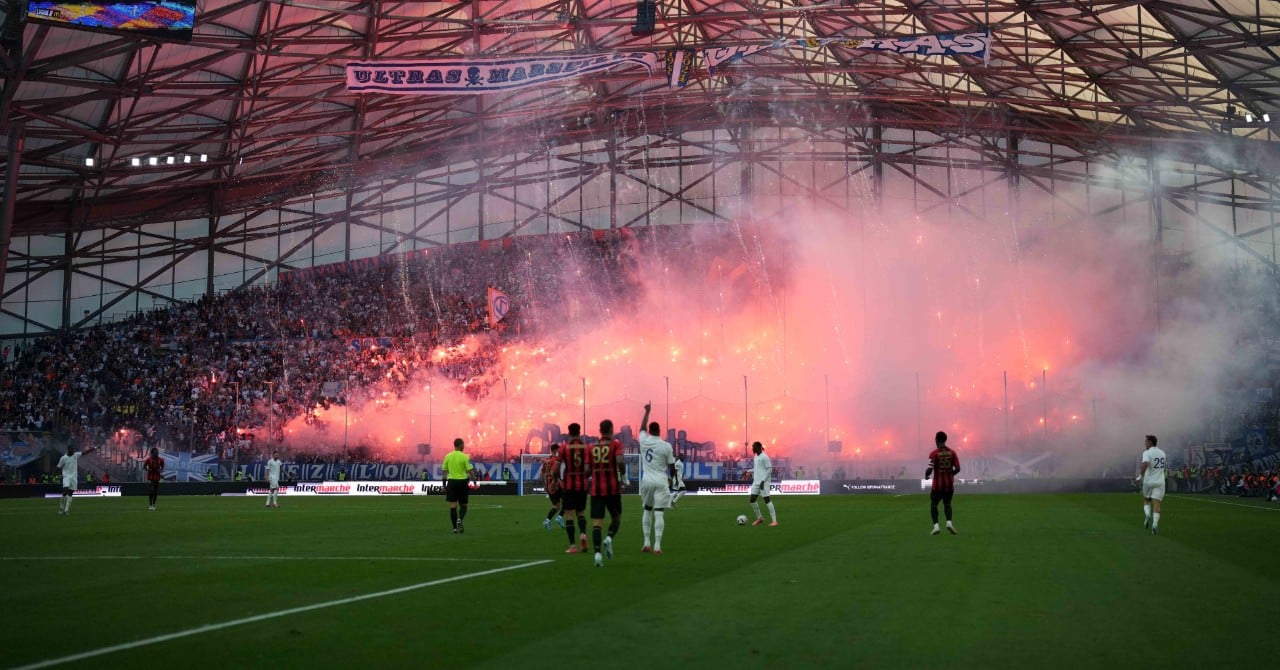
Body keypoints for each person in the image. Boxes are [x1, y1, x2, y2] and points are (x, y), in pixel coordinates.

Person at [638, 403, 677, 553]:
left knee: (647, 510)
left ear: (649, 431)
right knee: (659, 512)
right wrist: (672, 479)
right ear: (659, 431)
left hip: (646, 481)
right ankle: (657, 546)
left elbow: (641, 428)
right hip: (661, 481)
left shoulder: (644, 441)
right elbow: (672, 466)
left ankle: (646, 542)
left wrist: (647, 412)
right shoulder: (666, 446)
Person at [588, 419, 626, 567]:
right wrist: (623, 475)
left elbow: (586, 470)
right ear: (611, 430)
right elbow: (620, 461)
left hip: (596, 489)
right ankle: (609, 538)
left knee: (597, 523)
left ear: (600, 430)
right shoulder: (615, 444)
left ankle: (597, 554)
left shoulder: (591, 447)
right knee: (616, 518)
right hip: (612, 489)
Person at [560, 423, 590, 553]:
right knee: (581, 513)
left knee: (569, 515)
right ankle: (583, 534)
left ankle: (572, 546)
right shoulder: (586, 447)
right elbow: (589, 468)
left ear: (569, 432)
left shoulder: (564, 447)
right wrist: (584, 476)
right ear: (579, 432)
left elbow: (556, 468)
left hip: (569, 485)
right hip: (582, 485)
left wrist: (557, 480)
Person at [925, 430, 960, 535]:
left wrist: (926, 475)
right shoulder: (953, 452)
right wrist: (950, 474)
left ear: (936, 440)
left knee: (934, 504)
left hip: (938, 486)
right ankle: (949, 522)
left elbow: (930, 469)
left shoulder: (934, 453)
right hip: (949, 485)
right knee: (947, 504)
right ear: (945, 440)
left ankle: (936, 526)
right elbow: (958, 468)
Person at [442, 438, 475, 533]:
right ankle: (460, 519)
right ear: (460, 445)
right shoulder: (464, 456)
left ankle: (454, 528)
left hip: (451, 482)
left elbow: (444, 471)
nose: (464, 446)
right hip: (462, 482)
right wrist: (475, 481)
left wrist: (444, 484)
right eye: (463, 445)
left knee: (453, 505)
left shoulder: (448, 456)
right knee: (464, 505)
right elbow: (470, 471)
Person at [1137, 434, 1166, 534]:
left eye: (1146, 441)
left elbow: (1145, 463)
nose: (1145, 443)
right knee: (1157, 503)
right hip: (1160, 481)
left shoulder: (1147, 452)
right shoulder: (1162, 453)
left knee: (1147, 500)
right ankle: (1155, 524)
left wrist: (1140, 475)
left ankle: (1148, 515)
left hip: (1149, 481)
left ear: (1150, 442)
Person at [56, 444, 94, 516]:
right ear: (68, 450)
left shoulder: (75, 455)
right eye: (71, 449)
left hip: (74, 477)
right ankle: (61, 508)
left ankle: (66, 510)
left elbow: (84, 453)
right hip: (66, 476)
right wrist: (54, 474)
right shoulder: (63, 458)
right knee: (65, 490)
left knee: (70, 493)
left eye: (73, 449)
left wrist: (93, 448)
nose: (73, 451)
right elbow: (58, 467)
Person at [747, 441, 778, 526]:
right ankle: (760, 518)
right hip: (756, 481)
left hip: (763, 482)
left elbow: (769, 469)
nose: (752, 449)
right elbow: (757, 469)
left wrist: (763, 481)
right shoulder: (756, 456)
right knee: (752, 500)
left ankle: (774, 521)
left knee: (767, 500)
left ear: (758, 447)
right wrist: (748, 471)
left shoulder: (764, 457)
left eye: (753, 447)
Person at [541, 443, 566, 532]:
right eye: (558, 450)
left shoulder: (546, 460)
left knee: (557, 505)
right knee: (568, 502)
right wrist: (558, 482)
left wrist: (545, 484)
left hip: (549, 485)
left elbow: (541, 473)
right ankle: (559, 517)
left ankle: (547, 520)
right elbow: (553, 472)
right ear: (555, 450)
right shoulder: (555, 460)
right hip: (556, 485)